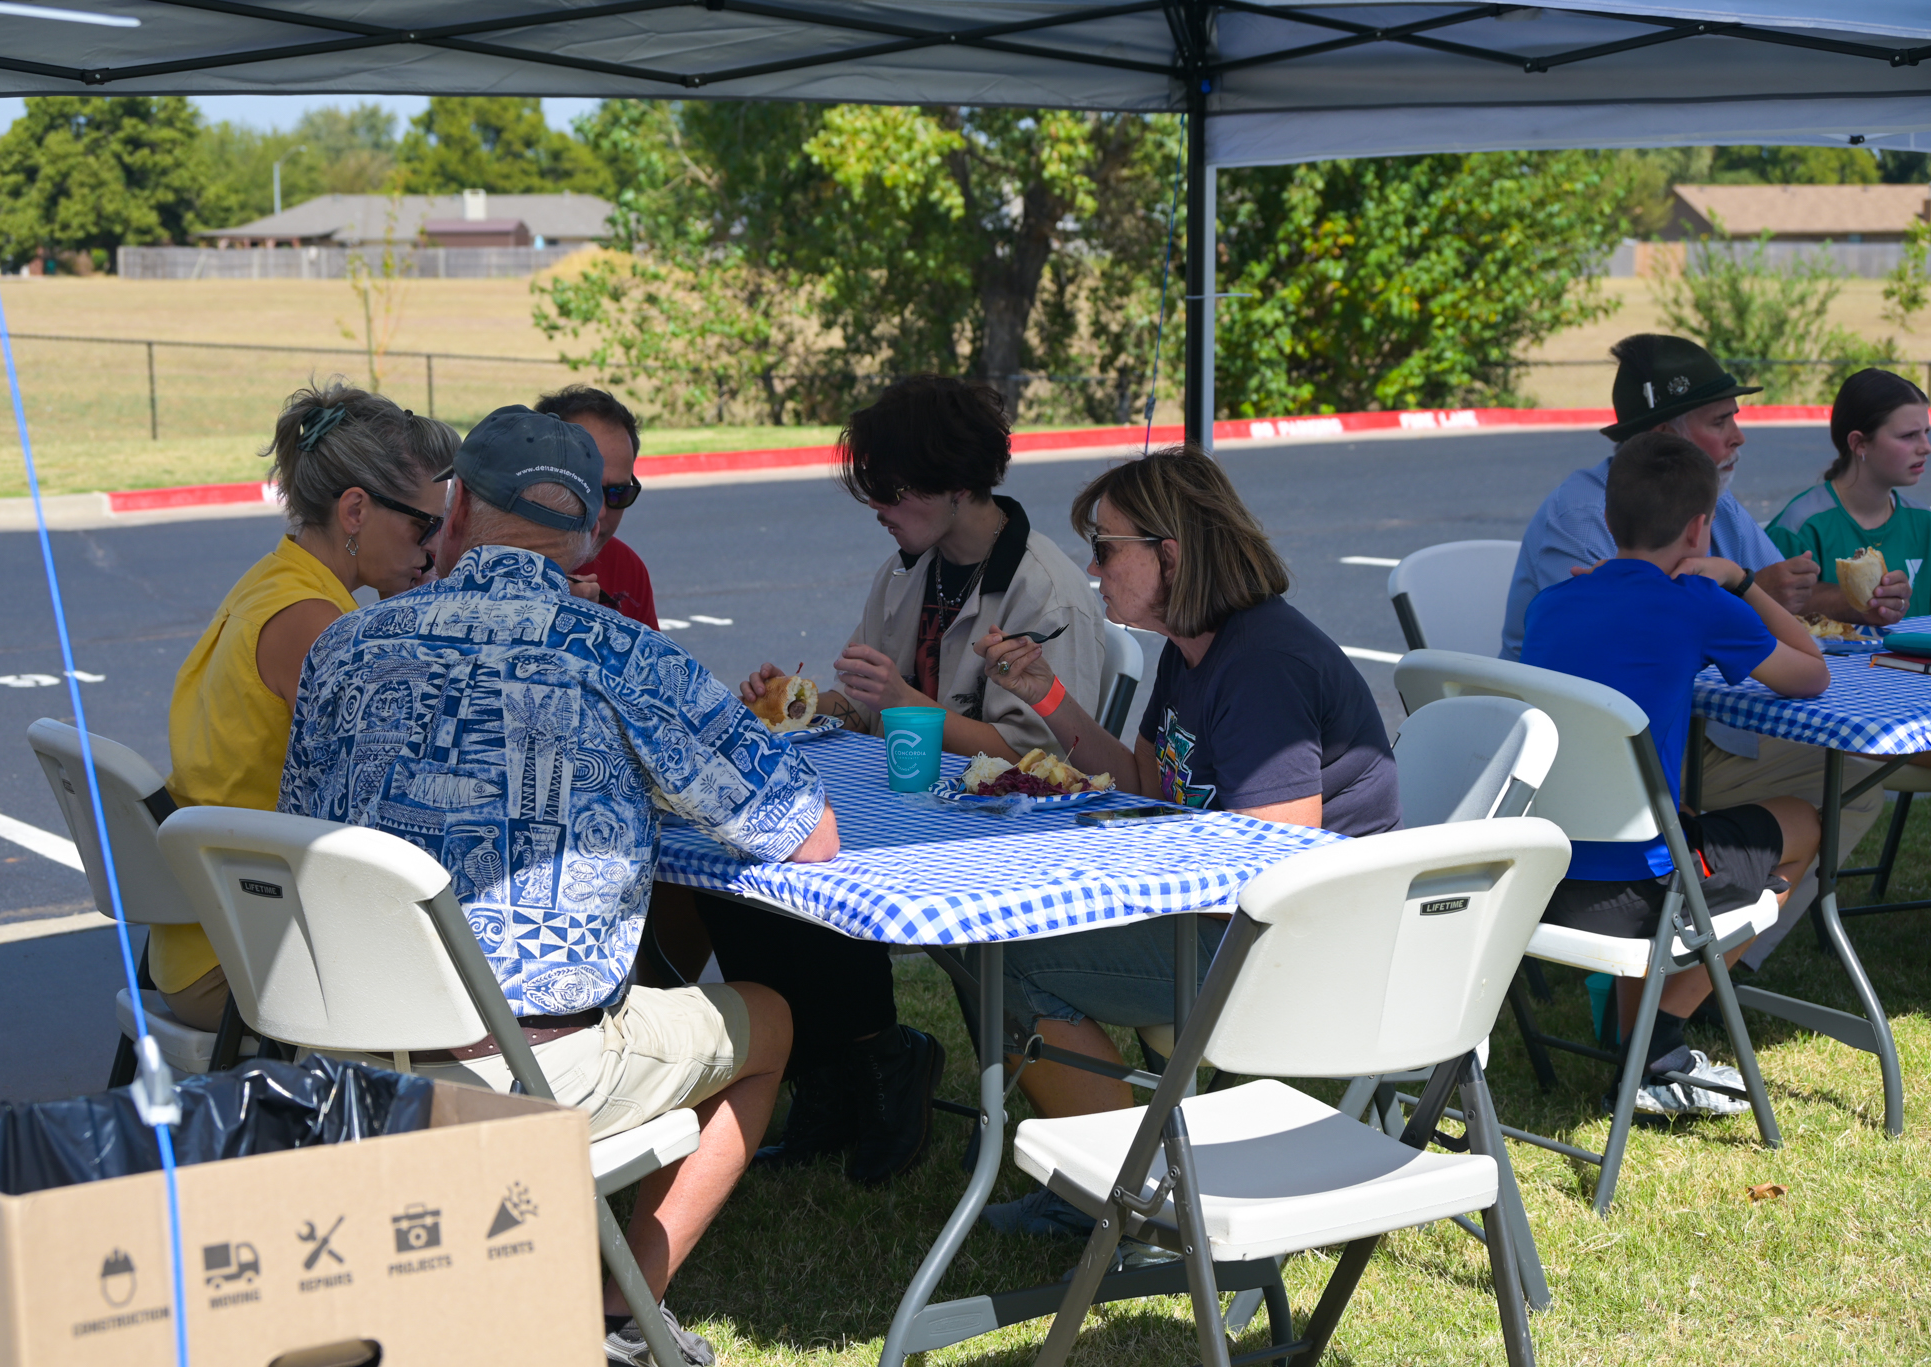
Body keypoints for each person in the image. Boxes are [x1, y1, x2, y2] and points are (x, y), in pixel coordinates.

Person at [278, 406, 839, 1367]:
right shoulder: (624, 654)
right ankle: (619, 1315)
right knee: (770, 1018)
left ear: (454, 510)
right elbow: (808, 833)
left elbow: (306, 828)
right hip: (524, 1065)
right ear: (586, 532)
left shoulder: (346, 647)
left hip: (347, 1048)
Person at [707, 375, 1109, 1186]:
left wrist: (904, 703)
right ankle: (843, 1067)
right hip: (915, 805)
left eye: (891, 491)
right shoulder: (909, 570)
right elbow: (862, 706)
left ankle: (878, 1062)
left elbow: (1041, 759)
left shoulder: (1042, 588)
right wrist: (795, 701)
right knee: (741, 870)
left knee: (811, 862)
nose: (879, 510)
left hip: (999, 829)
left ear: (957, 485)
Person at [977, 445, 1399, 1133]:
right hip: (1240, 926)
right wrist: (1045, 695)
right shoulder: (1193, 645)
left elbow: (1273, 871)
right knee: (1008, 933)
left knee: (1010, 957)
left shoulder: (1263, 666)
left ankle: (1122, 1192)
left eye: (1105, 548)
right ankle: (1122, 1170)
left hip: (1300, 949)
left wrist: (1113, 884)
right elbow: (1145, 781)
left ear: (1169, 556)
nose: (1092, 568)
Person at [1502, 334, 1890, 974]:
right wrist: (1739, 587)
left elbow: (1779, 595)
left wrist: (1848, 603)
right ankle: (1702, 985)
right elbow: (1795, 655)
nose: (1739, 436)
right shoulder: (1623, 540)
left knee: (1834, 774)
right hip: (1622, 797)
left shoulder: (1591, 564)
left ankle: (1674, 988)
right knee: (1845, 783)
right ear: (1668, 439)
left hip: (1556, 837)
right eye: (1721, 420)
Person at [1521, 431, 1824, 1117]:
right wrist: (1739, 580)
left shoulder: (1553, 602)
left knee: (1674, 827)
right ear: (1699, 526)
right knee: (1804, 821)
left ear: (1609, 518)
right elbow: (1811, 670)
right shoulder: (1698, 602)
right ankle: (1656, 1046)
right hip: (1641, 891)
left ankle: (1644, 1038)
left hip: (1544, 879)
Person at [154, 381, 458, 1031]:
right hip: (245, 961)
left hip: (218, 934)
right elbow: (409, 783)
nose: (433, 548)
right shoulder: (315, 623)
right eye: (423, 524)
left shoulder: (279, 582)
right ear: (355, 510)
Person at [1767, 369, 1931, 617]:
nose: (1926, 447)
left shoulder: (1924, 522)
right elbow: (1761, 613)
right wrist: (1847, 602)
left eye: (1926, 433)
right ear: (1859, 443)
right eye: (1908, 436)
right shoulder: (1800, 527)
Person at [536, 385, 659, 629]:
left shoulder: (626, 568)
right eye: (584, 489)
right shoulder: (474, 559)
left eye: (618, 493)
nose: (600, 513)